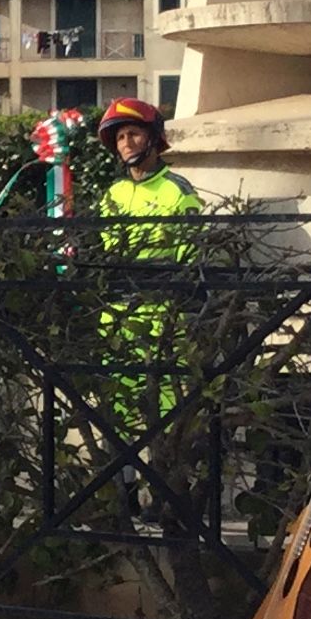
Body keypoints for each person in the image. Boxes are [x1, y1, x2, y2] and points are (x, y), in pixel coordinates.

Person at [94, 96, 203, 439]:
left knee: (168, 424)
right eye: (120, 137)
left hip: (163, 318)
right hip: (117, 318)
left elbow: (190, 260)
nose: (126, 143)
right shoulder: (111, 194)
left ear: (154, 138)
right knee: (116, 422)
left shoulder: (178, 191)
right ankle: (124, 490)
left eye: (134, 134)